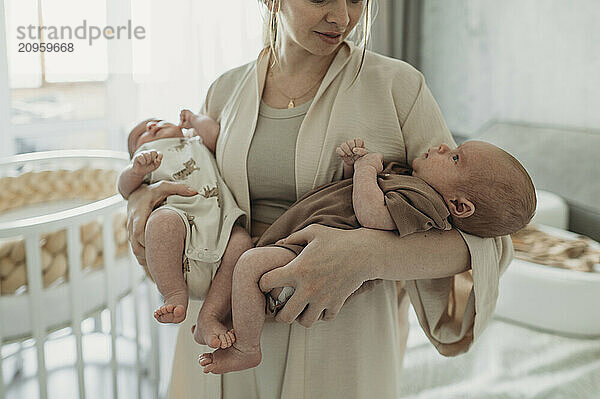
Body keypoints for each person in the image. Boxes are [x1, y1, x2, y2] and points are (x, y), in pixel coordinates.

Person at [126, 0, 514, 397]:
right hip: (220, 328)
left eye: (356, 0)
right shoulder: (225, 90)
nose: (343, 18)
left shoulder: (398, 87)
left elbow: (483, 237)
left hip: (341, 336)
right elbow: (193, 182)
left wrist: (364, 255)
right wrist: (144, 200)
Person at [197, 138, 535, 374]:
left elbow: (372, 215)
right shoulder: (410, 181)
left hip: (304, 253)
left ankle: (246, 347)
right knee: (238, 250)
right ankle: (209, 319)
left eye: (455, 158)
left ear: (460, 206)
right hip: (293, 236)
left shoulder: (426, 203)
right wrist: (351, 169)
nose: (444, 146)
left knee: (248, 264)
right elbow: (347, 199)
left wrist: (365, 169)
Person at [118, 117, 253, 349]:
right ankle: (173, 292)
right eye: (141, 134)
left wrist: (196, 121)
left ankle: (209, 315)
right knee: (161, 222)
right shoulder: (147, 158)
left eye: (157, 120)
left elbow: (218, 138)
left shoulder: (195, 140)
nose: (151, 126)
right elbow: (124, 188)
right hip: (180, 222)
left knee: (242, 242)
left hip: (220, 223)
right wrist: (136, 170)